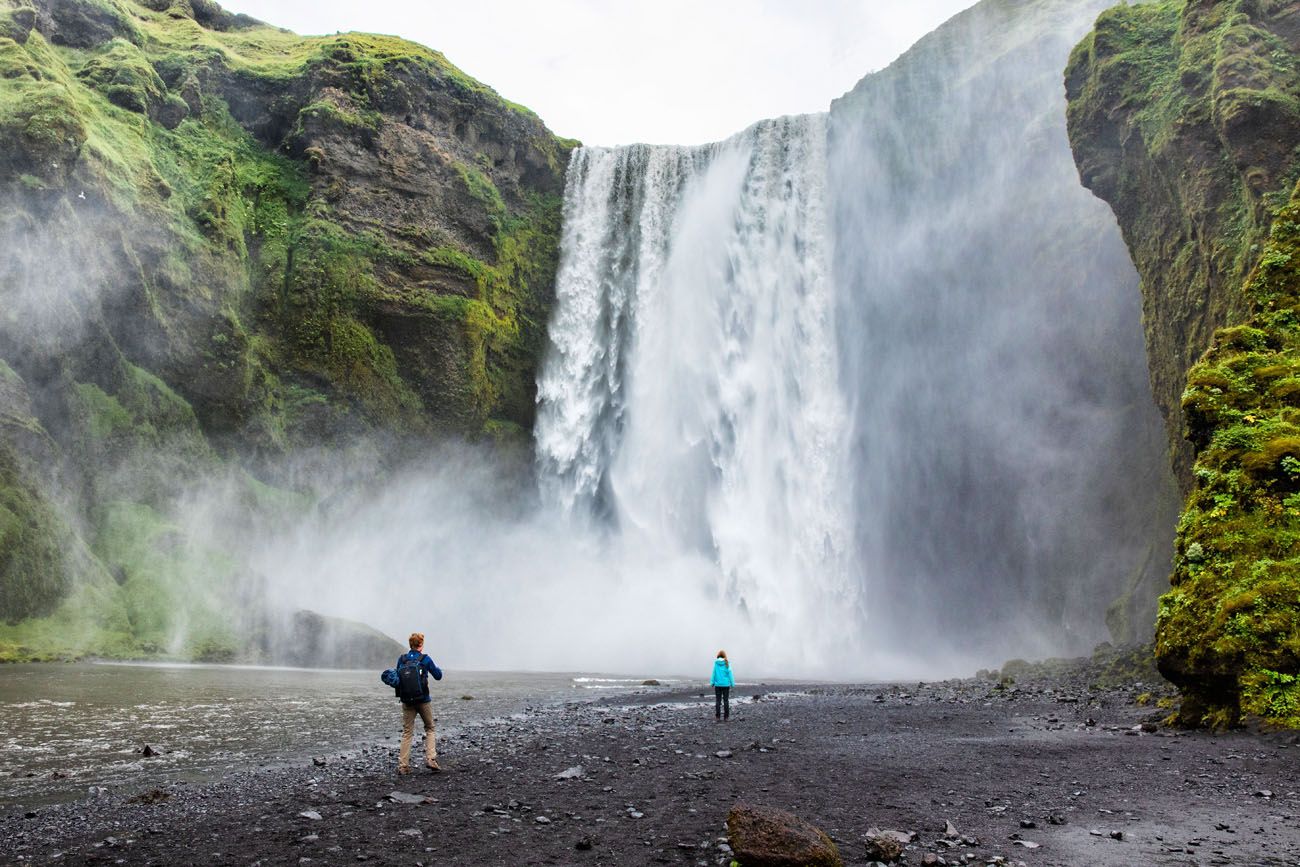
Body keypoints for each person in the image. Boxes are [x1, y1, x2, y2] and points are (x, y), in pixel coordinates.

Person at [395, 632, 443, 774]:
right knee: (430, 728)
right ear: (421, 645)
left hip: (407, 701)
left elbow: (398, 677)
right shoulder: (425, 659)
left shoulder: (402, 659)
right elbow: (438, 676)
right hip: (423, 700)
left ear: (410, 645)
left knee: (407, 732)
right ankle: (430, 759)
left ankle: (403, 766)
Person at [710, 649, 734, 721]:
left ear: (718, 655)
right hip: (726, 685)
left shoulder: (716, 663)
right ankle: (726, 717)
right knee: (726, 701)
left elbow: (713, 673)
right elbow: (730, 674)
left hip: (718, 685)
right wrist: (732, 683)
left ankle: (718, 717)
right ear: (724, 656)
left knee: (718, 701)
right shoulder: (727, 663)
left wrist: (712, 682)